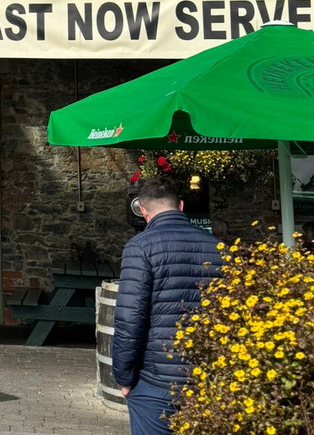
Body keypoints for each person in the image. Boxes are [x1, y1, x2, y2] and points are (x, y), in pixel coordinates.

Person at [112, 178, 223, 435]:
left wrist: (124, 377)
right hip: (208, 376)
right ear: (181, 206)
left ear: (142, 210)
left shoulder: (140, 247)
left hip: (156, 381)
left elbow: (129, 319)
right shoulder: (219, 248)